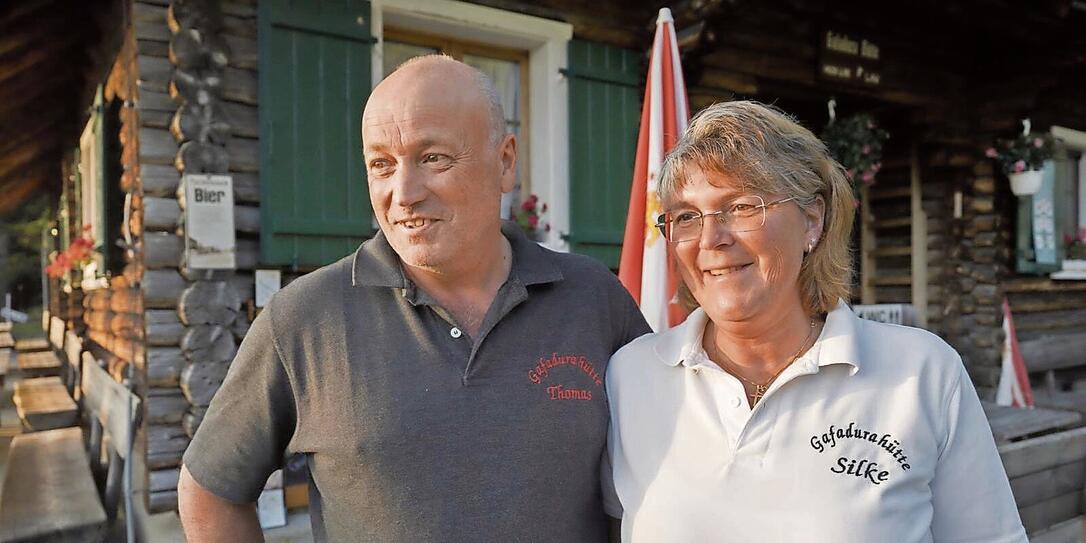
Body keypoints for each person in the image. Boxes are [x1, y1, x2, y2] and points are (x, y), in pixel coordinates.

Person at [178, 55, 650, 542]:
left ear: (505, 162)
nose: (403, 193)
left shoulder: (595, 299)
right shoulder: (301, 319)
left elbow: (677, 459)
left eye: (433, 158)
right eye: (381, 165)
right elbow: (211, 491)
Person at [606, 100, 1026, 542]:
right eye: (687, 216)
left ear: (813, 219)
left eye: (743, 206)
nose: (712, 239)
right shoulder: (631, 376)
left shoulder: (921, 372)